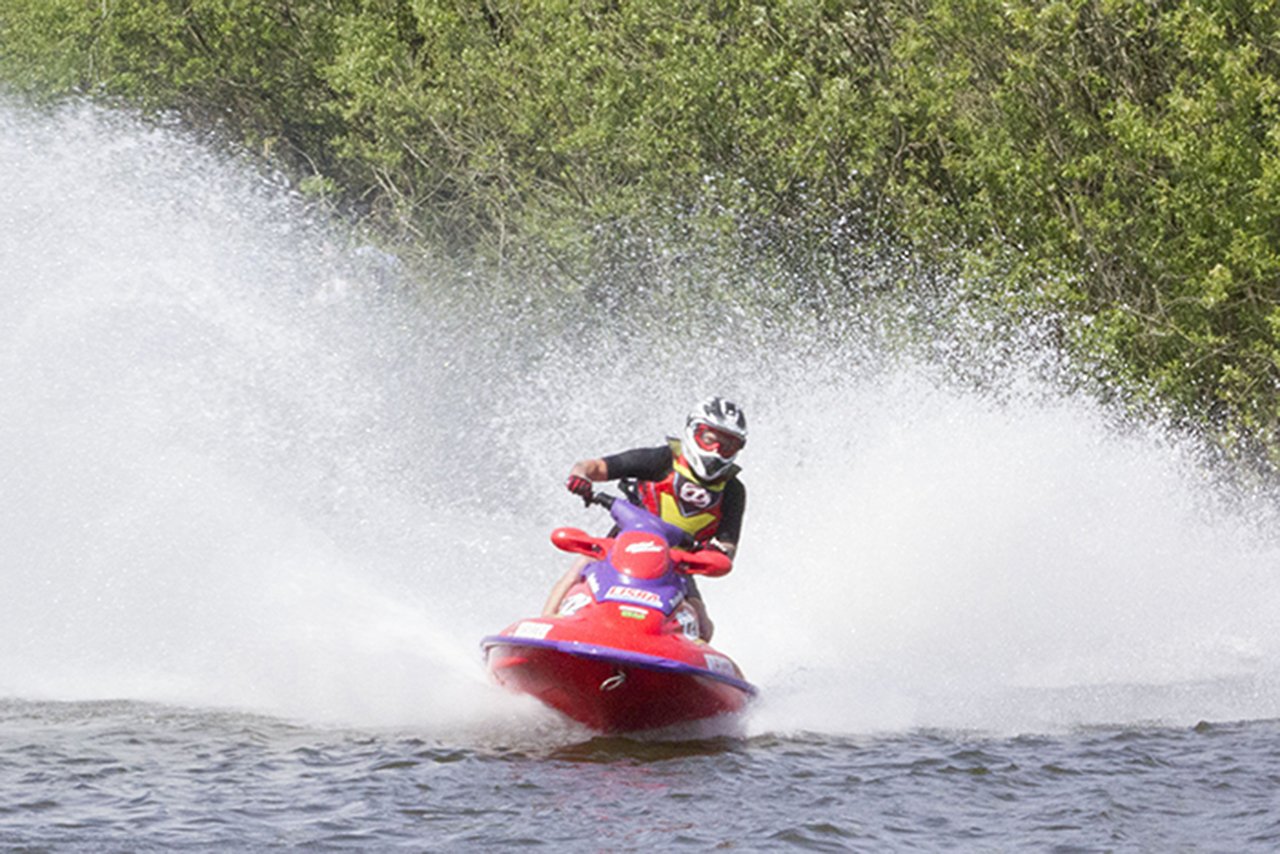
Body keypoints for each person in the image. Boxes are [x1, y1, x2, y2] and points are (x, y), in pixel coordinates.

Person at [541, 397, 748, 640]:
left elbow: (728, 543)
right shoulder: (661, 460)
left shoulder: (733, 490)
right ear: (693, 431)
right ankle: (543, 628)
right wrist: (580, 477)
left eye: (728, 446)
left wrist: (716, 554)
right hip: (621, 546)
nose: (716, 451)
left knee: (703, 623)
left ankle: (691, 667)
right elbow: (593, 466)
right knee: (579, 569)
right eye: (710, 439)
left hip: (678, 563)